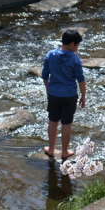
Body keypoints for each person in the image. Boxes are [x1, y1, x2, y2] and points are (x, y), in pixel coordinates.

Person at [41, 29, 86, 160]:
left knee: (53, 120)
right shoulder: (75, 59)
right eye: (77, 45)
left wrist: (48, 89)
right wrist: (83, 96)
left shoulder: (50, 55)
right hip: (69, 95)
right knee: (66, 123)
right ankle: (64, 151)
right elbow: (81, 80)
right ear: (72, 44)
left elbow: (45, 75)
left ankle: (51, 149)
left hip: (54, 94)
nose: (77, 47)